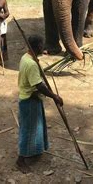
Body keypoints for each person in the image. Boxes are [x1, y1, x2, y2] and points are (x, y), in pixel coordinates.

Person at [16, 35, 64, 174]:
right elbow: (38, 85)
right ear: (35, 47)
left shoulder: (26, 57)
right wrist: (54, 96)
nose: (43, 48)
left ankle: (35, 150)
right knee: (28, 130)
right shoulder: (31, 64)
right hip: (29, 100)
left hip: (32, 98)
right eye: (41, 45)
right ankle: (20, 160)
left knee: (36, 126)